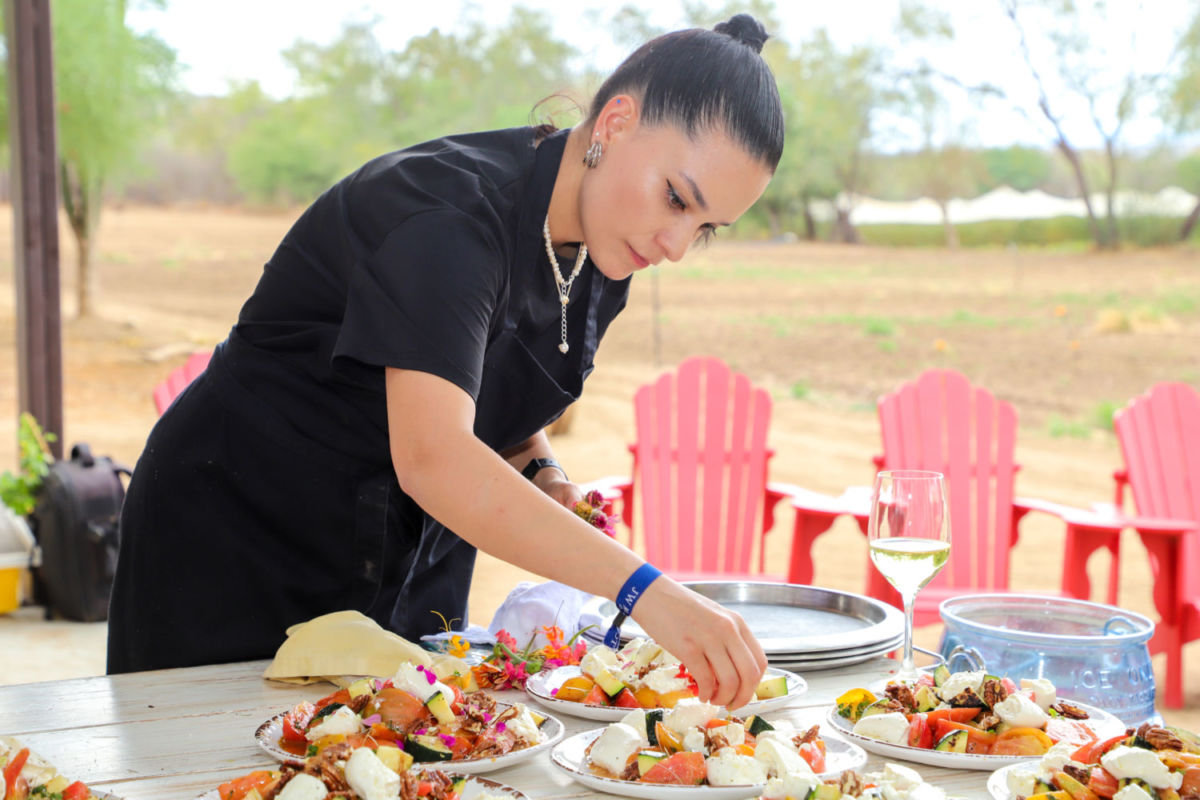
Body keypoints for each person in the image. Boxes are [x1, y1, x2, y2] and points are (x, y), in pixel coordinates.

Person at [107, 13, 784, 709]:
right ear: (614, 123)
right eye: (677, 198)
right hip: (240, 535)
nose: (675, 244)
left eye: (703, 229)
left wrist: (546, 475)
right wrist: (645, 590)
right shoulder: (446, 218)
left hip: (399, 551)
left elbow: (497, 394)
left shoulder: (606, 248)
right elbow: (434, 455)